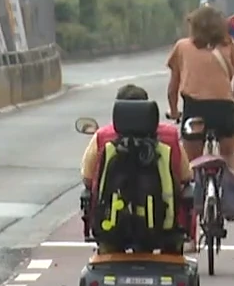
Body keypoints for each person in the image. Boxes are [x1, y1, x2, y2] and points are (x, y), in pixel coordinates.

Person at [82, 85, 196, 248]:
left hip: (112, 229)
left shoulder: (103, 137)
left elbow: (87, 178)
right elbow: (186, 177)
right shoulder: (170, 136)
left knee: (108, 248)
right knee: (173, 249)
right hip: (165, 229)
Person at [166, 4, 234, 169]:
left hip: (194, 109)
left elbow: (172, 88)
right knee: (228, 155)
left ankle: (193, 189)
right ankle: (231, 190)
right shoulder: (231, 47)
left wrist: (174, 110)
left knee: (191, 161)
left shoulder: (182, 47)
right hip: (224, 110)